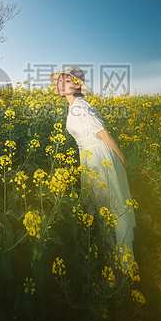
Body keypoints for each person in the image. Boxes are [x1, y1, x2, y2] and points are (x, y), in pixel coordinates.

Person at [49, 65, 136, 270]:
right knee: (100, 204)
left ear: (77, 85)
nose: (61, 84)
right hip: (88, 157)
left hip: (98, 156)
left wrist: (121, 159)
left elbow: (103, 133)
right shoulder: (73, 105)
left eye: (67, 80)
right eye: (60, 80)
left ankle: (121, 261)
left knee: (109, 205)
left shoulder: (80, 105)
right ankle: (110, 252)